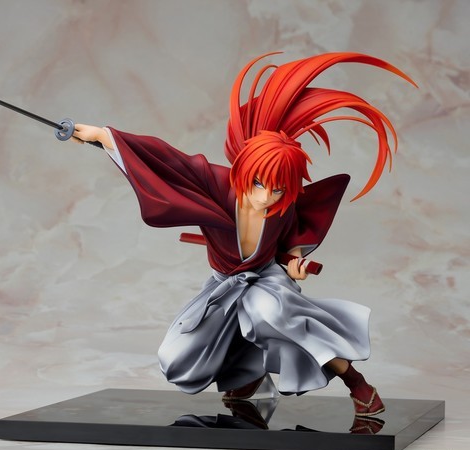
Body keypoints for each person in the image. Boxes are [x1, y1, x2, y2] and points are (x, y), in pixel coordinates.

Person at [71, 52, 416, 416]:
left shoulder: (284, 205)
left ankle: (357, 383)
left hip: (266, 279)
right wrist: (103, 136)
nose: (267, 197)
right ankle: (248, 377)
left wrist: (294, 262)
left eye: (279, 189)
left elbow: (289, 242)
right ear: (243, 171)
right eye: (259, 184)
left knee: (271, 313)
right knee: (177, 360)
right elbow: (167, 159)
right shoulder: (215, 184)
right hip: (224, 283)